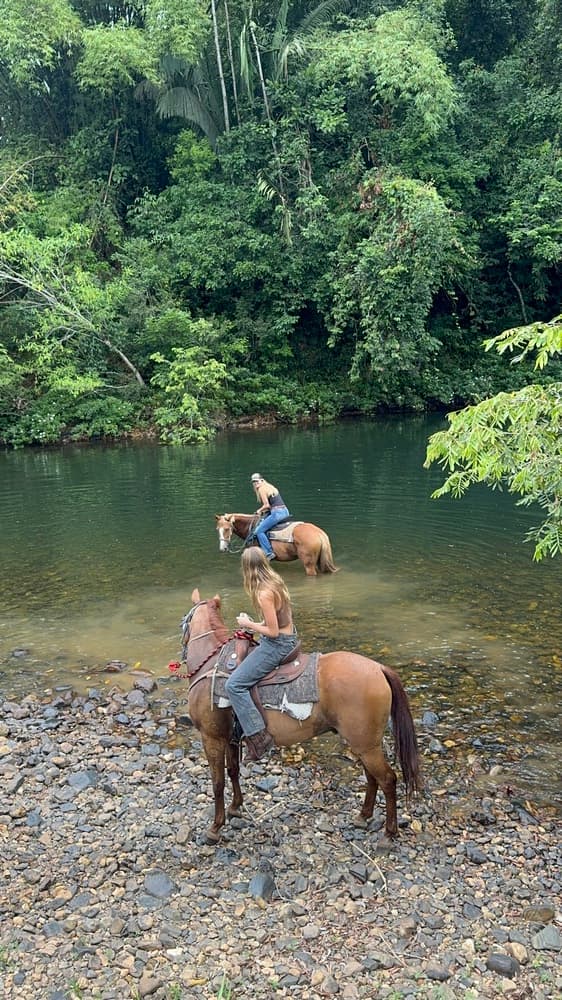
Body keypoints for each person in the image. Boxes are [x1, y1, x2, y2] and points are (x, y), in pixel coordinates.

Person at [224, 547, 298, 761]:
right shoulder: (274, 581)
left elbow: (273, 632)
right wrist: (256, 625)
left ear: (247, 568)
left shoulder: (264, 593)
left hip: (278, 643)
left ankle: (258, 736)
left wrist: (248, 624)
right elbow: (274, 620)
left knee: (234, 685)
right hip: (287, 635)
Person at [250, 472, 291, 561]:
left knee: (259, 531)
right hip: (284, 511)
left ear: (261, 480)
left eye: (257, 481)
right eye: (253, 482)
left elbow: (267, 505)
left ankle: (269, 553)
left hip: (277, 513)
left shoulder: (261, 489)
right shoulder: (270, 487)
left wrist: (259, 511)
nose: (255, 483)